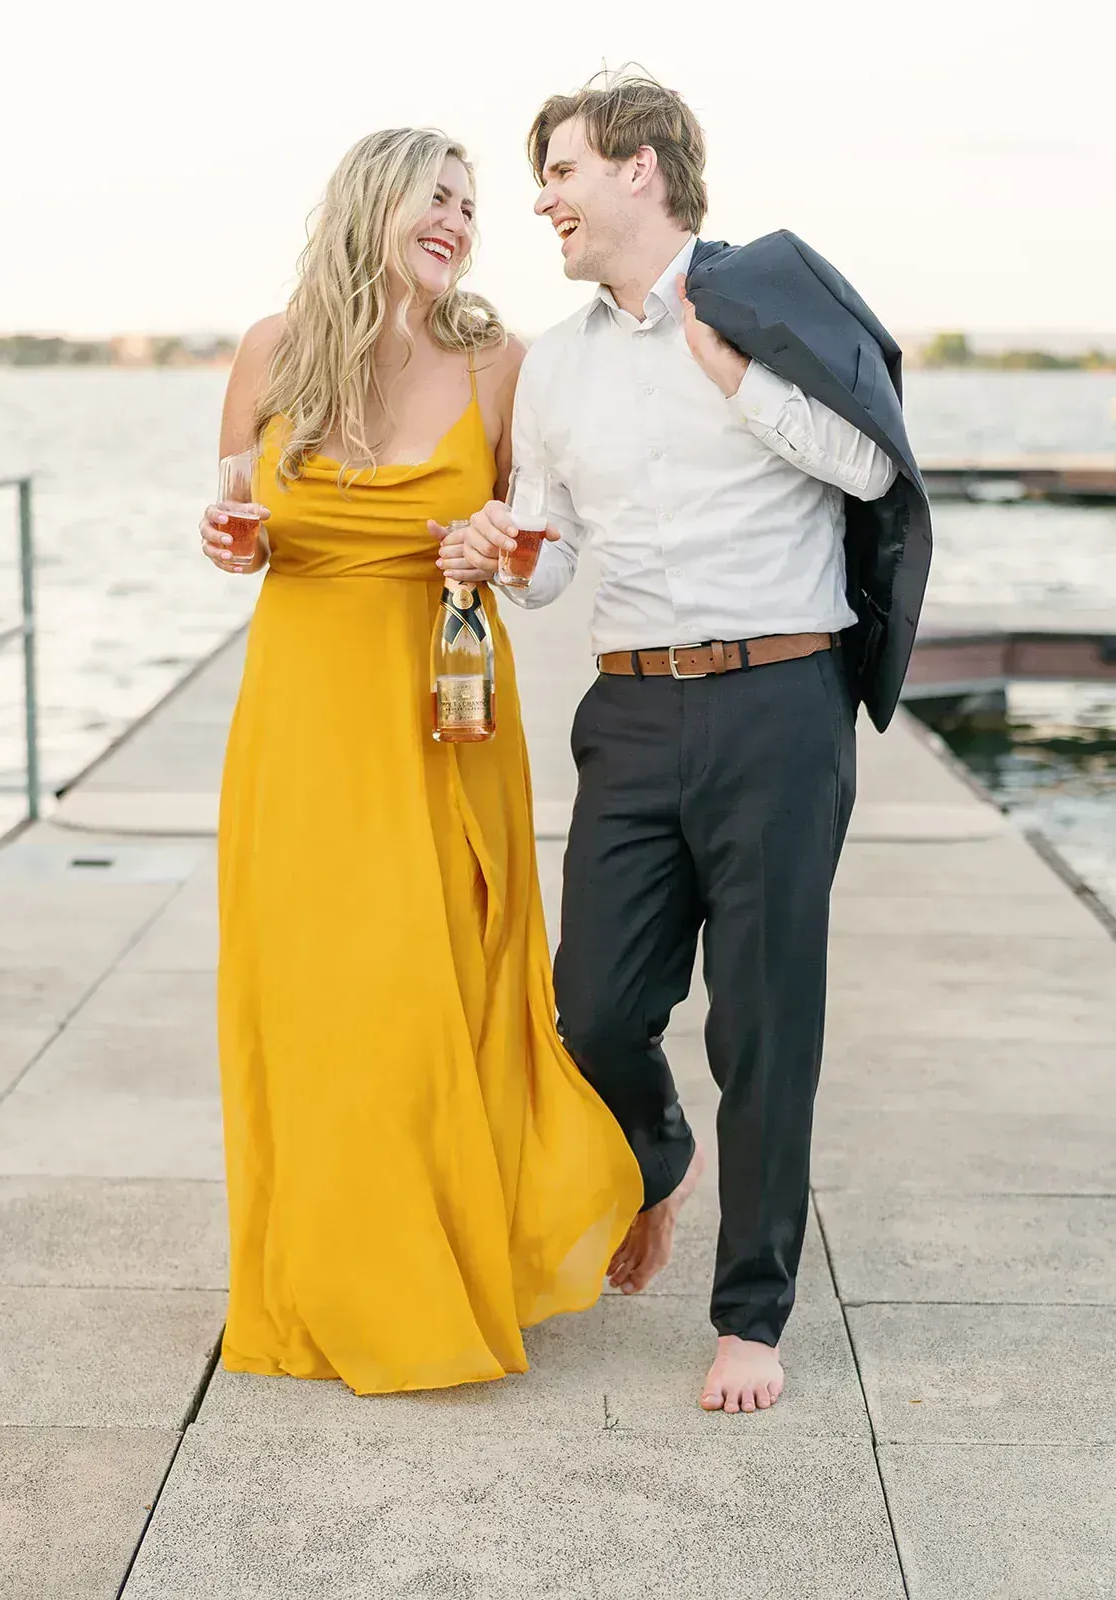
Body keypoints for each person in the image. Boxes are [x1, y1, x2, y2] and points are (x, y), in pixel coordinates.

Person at [441, 76, 921, 1415]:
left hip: (778, 704)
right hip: (631, 710)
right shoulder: (556, 362)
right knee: (589, 1005)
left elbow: (872, 467)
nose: (538, 199)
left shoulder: (765, 303)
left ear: (639, 170)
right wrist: (499, 553)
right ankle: (657, 1157)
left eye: (557, 171)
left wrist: (735, 375)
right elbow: (547, 559)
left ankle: (749, 1315)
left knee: (763, 1024)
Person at [198, 128, 642, 1396]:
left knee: (431, 985)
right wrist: (229, 541)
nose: (455, 219)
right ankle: (326, 1274)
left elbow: (536, 541)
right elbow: (235, 521)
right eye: (432, 198)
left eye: (468, 204)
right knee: (314, 997)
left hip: (441, 711)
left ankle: (441, 1261)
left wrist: (492, 542)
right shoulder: (271, 350)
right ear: (369, 204)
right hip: (301, 713)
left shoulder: (501, 364)